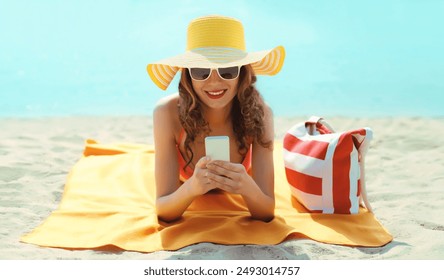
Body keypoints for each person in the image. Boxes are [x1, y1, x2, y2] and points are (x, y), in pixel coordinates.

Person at [146, 15, 285, 222]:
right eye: (200, 71)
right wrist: (192, 188)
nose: (214, 81)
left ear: (242, 73)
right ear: (187, 76)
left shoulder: (260, 114)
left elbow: (266, 211)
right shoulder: (167, 113)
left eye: (227, 70)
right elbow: (163, 209)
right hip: (186, 186)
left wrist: (246, 187)